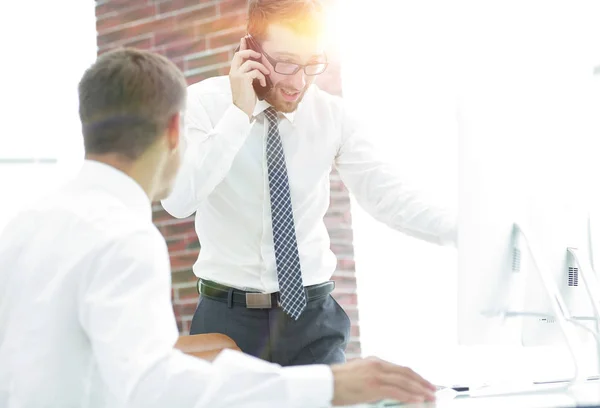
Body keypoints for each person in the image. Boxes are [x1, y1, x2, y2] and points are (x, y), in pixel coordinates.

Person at [0, 48, 437, 407]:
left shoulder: (24, 225)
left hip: (308, 314)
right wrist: (329, 386)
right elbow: (153, 387)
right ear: (176, 131)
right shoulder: (125, 239)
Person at [161, 0, 457, 368]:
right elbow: (179, 199)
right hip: (228, 321)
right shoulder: (203, 104)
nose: (298, 82)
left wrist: (469, 234)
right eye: (285, 62)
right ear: (249, 50)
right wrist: (238, 114)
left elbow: (388, 195)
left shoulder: (332, 115)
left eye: (311, 64)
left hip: (312, 320)